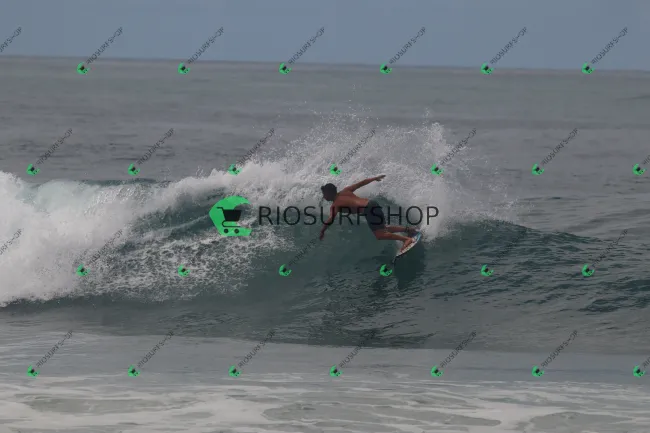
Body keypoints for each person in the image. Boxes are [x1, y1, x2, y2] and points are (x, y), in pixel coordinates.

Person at [319, 175, 416, 251]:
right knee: (384, 228)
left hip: (368, 209)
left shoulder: (335, 205)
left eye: (324, 194)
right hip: (372, 203)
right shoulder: (345, 191)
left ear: (329, 193)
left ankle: (406, 239)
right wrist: (374, 178)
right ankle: (409, 230)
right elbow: (361, 183)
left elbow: (330, 219)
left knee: (379, 235)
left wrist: (322, 231)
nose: (324, 196)